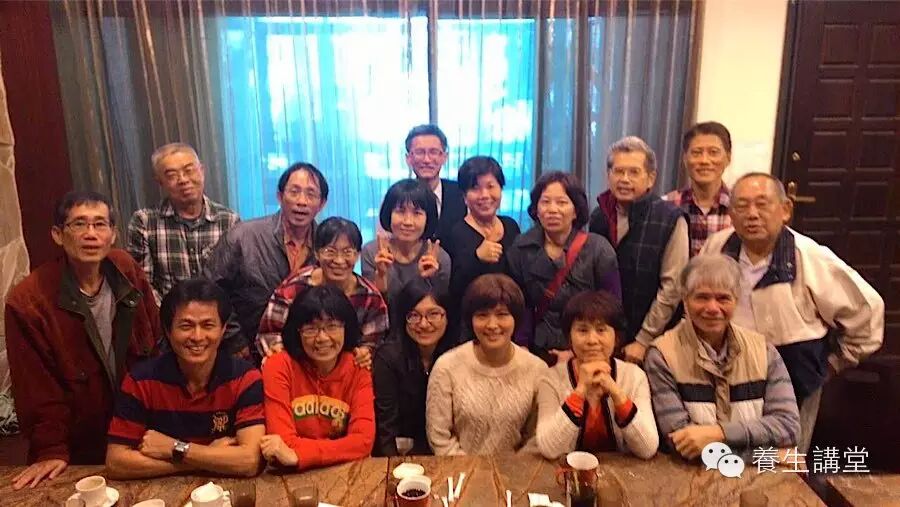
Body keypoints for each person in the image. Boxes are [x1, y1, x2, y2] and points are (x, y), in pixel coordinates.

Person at [700, 173, 884, 453]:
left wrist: (834, 362)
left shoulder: (810, 256)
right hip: (728, 372)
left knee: (781, 461)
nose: (752, 214)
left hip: (794, 373)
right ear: (731, 214)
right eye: (742, 206)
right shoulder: (717, 248)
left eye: (762, 204)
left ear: (785, 210)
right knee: (731, 456)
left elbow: (867, 311)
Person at [5, 191, 160, 489]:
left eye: (100, 224)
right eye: (79, 224)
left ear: (113, 234)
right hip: (78, 443)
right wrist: (50, 449)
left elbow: (155, 346)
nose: (91, 234)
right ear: (58, 235)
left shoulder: (126, 270)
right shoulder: (28, 301)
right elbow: (35, 388)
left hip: (139, 429)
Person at [644, 254, 801, 461]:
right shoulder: (662, 355)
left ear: (736, 300)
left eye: (723, 298)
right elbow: (681, 444)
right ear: (685, 300)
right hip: (689, 476)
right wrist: (768, 456)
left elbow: (789, 427)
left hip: (756, 478)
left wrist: (719, 433)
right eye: (702, 297)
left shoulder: (764, 351)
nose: (712, 308)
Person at [105, 279, 264, 478]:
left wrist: (173, 448)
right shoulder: (140, 381)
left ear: (223, 330)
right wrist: (206, 459)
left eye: (208, 325)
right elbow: (116, 462)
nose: (197, 336)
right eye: (186, 326)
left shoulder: (246, 378)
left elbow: (249, 461)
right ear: (168, 330)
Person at [204, 162, 328, 360]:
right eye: (294, 192)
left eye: (311, 194)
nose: (301, 201)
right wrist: (235, 341)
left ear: (322, 204)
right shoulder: (242, 236)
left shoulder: (327, 246)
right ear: (280, 196)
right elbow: (210, 289)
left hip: (307, 355)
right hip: (247, 353)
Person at [589, 136, 689, 365]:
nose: (624, 179)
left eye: (634, 172)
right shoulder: (599, 216)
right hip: (606, 338)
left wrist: (644, 339)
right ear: (608, 175)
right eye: (618, 171)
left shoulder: (670, 218)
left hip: (655, 341)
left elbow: (673, 287)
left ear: (650, 178)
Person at [426, 274, 547, 455]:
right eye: (482, 315)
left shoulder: (537, 369)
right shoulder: (446, 367)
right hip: (458, 470)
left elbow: (538, 437)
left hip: (516, 470)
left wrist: (511, 468)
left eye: (502, 314)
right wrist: (473, 469)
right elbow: (440, 438)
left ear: (516, 318)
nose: (492, 325)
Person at [506, 171, 620, 362]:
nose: (552, 209)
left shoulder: (598, 249)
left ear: (576, 210)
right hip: (535, 352)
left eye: (562, 202)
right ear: (536, 209)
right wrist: (522, 346)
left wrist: (577, 353)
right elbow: (520, 303)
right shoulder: (520, 248)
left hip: (587, 351)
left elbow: (612, 309)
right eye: (545, 202)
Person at [259, 285, 375, 470]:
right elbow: (281, 442)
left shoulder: (358, 366)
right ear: (297, 331)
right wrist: (344, 448)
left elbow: (363, 442)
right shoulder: (279, 366)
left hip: (345, 472)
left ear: (346, 328)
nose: (322, 338)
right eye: (310, 328)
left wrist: (299, 455)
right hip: (290, 475)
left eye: (332, 326)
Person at [535, 291, 658, 460]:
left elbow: (648, 447)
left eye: (601, 330)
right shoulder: (550, 379)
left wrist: (616, 392)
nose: (592, 340)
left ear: (616, 337)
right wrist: (580, 391)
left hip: (622, 473)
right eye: (582, 330)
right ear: (569, 337)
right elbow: (549, 449)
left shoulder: (635, 376)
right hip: (566, 471)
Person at [256, 217, 388, 366]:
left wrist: (365, 353)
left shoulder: (370, 297)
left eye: (347, 252)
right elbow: (269, 333)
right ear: (316, 253)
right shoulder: (293, 288)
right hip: (298, 365)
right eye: (330, 251)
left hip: (348, 370)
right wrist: (277, 350)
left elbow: (374, 343)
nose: (339, 260)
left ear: (357, 255)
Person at [127, 142, 239, 304]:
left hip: (218, 315)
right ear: (160, 182)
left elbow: (237, 282)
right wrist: (172, 315)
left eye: (189, 170)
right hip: (168, 315)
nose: (183, 180)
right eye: (172, 175)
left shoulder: (229, 220)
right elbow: (143, 285)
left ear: (202, 171)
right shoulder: (144, 222)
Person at [373, 279, 458, 456]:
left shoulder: (459, 355)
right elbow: (386, 429)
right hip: (402, 454)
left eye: (433, 314)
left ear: (448, 316)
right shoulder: (388, 358)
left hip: (449, 452)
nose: (424, 324)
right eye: (414, 315)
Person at [361, 179, 451, 306]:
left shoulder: (439, 258)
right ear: (389, 214)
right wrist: (381, 275)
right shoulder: (372, 252)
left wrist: (425, 279)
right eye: (400, 211)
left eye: (417, 213)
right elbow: (372, 308)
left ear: (428, 218)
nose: (408, 222)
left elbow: (439, 310)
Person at [447, 156, 521, 303]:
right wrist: (477, 259)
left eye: (490, 186)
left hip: (510, 312)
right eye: (475, 188)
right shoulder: (455, 233)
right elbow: (453, 290)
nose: (484, 195)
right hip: (472, 314)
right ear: (464, 197)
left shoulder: (511, 226)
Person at [664, 122, 733, 256]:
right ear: (685, 159)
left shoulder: (739, 209)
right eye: (696, 153)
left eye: (713, 152)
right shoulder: (666, 206)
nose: (704, 161)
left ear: (728, 158)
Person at [404, 124, 467, 244]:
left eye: (433, 152)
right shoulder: (398, 196)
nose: (427, 160)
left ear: (444, 157)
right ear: (408, 158)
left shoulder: (461, 193)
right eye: (419, 152)